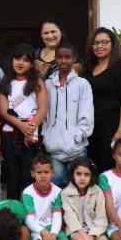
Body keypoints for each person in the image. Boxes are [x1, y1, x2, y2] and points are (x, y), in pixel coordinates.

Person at [0, 44, 48, 201]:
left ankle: (28, 213)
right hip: (10, 133)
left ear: (32, 64)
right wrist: (22, 126)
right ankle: (14, 211)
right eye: (17, 58)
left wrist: (30, 130)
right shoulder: (5, 82)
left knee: (28, 173)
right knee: (13, 175)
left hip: (31, 134)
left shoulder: (37, 81)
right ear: (11, 60)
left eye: (25, 60)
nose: (20, 63)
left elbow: (43, 107)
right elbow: (3, 110)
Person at [83, 28, 121, 173]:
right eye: (96, 43)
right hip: (91, 129)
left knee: (110, 171)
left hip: (112, 128)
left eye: (104, 42)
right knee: (93, 171)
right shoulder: (88, 70)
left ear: (113, 45)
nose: (99, 46)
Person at [42, 41, 93, 187]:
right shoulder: (47, 84)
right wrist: (46, 136)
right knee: (55, 191)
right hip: (53, 149)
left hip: (77, 149)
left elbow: (87, 114)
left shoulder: (83, 84)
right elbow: (43, 114)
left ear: (74, 59)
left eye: (67, 57)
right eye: (59, 57)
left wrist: (78, 137)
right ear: (55, 58)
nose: (63, 61)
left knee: (78, 191)